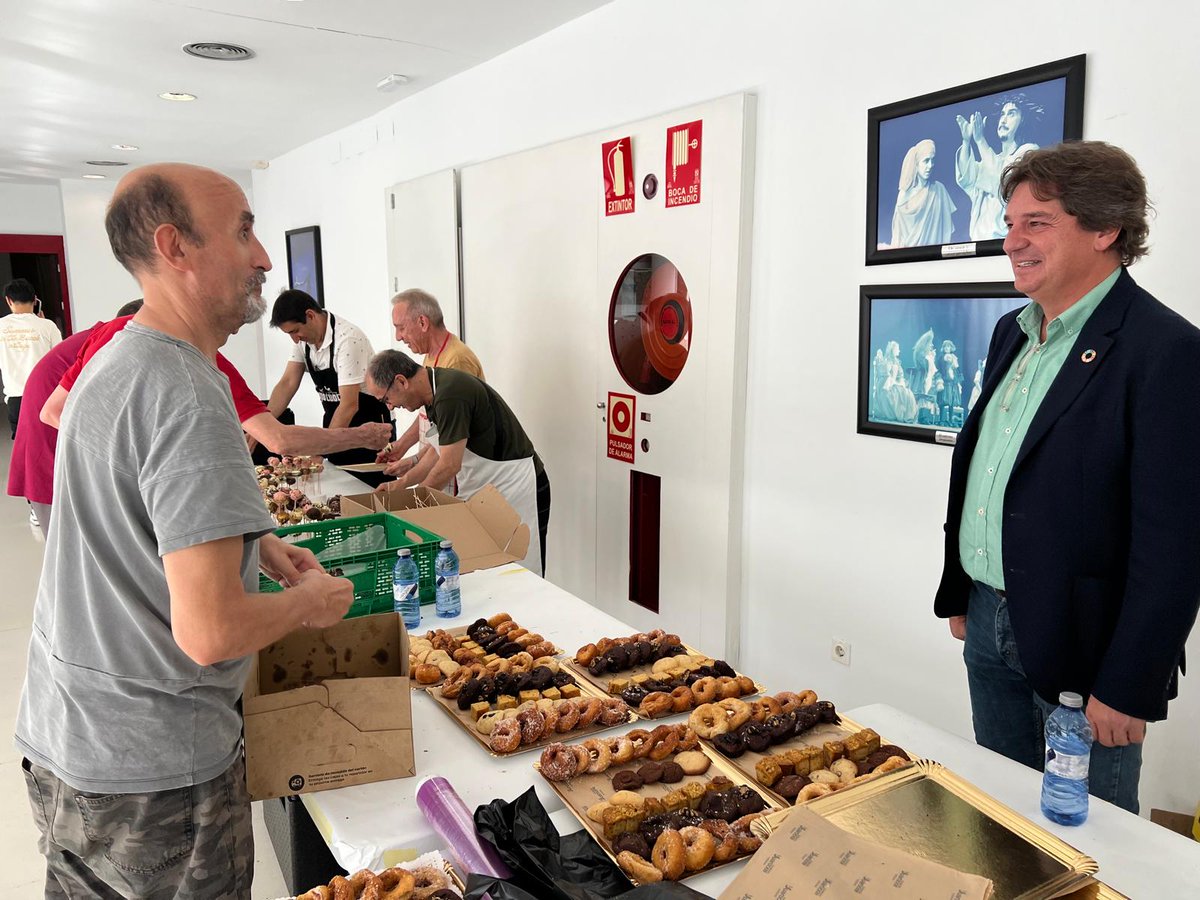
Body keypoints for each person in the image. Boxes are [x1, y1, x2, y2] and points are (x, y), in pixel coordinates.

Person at [15, 162, 353, 898]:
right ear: (175, 247)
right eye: (244, 232)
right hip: (153, 776)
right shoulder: (186, 394)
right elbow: (209, 631)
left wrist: (250, 538)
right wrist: (310, 603)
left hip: (66, 738)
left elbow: (130, 500)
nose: (264, 257)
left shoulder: (114, 359)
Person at [934, 141, 1200, 814]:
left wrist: (1130, 683)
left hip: (1089, 647)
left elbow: (1176, 541)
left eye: (1037, 222)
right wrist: (962, 589)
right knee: (999, 815)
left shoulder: (1165, 351)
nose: (1012, 240)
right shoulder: (1011, 332)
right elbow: (989, 471)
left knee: (1086, 836)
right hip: (991, 614)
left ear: (1105, 230)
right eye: (1010, 220)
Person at [39, 314, 392, 460]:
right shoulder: (202, 355)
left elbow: (53, 411)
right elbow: (280, 440)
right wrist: (360, 436)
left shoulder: (111, 331)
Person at [367, 349, 550, 575]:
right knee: (490, 569)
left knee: (520, 572)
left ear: (402, 381)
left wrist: (412, 503)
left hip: (518, 486)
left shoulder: (450, 394)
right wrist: (398, 486)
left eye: (386, 399)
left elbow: (449, 465)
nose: (390, 407)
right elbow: (439, 452)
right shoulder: (433, 392)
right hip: (490, 488)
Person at [7, 300, 141, 539]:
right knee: (67, 554)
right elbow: (54, 413)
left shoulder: (97, 338)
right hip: (50, 446)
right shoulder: (111, 341)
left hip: (50, 441)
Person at [267, 290, 391, 469]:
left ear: (310, 315)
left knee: (369, 490)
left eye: (295, 331)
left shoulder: (348, 340)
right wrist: (262, 427)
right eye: (289, 334)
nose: (295, 340)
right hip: (336, 424)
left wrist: (320, 450)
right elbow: (287, 383)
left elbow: (349, 404)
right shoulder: (303, 342)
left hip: (368, 428)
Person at [388, 288, 485, 464]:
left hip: (457, 462)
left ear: (423, 323)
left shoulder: (457, 360)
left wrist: (415, 462)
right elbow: (429, 412)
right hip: (437, 457)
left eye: (401, 328)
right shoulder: (431, 355)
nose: (398, 337)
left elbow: (453, 430)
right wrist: (402, 445)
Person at [955, 94, 1042, 240]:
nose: (1003, 119)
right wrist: (966, 141)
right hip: (979, 243)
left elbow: (1002, 184)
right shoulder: (994, 158)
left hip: (1003, 243)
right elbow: (967, 179)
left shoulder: (1028, 152)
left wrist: (980, 140)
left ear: (1023, 120)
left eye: (1011, 114)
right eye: (1002, 114)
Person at [0, 277, 62, 439]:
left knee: (23, 444)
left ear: (8, 300)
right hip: (44, 394)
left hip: (15, 397)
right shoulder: (48, 326)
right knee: (47, 441)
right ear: (35, 300)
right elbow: (59, 361)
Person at [888, 139, 956, 248]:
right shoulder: (904, 195)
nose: (930, 165)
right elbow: (898, 234)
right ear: (916, 163)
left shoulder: (939, 189)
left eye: (932, 160)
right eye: (926, 161)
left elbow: (946, 229)